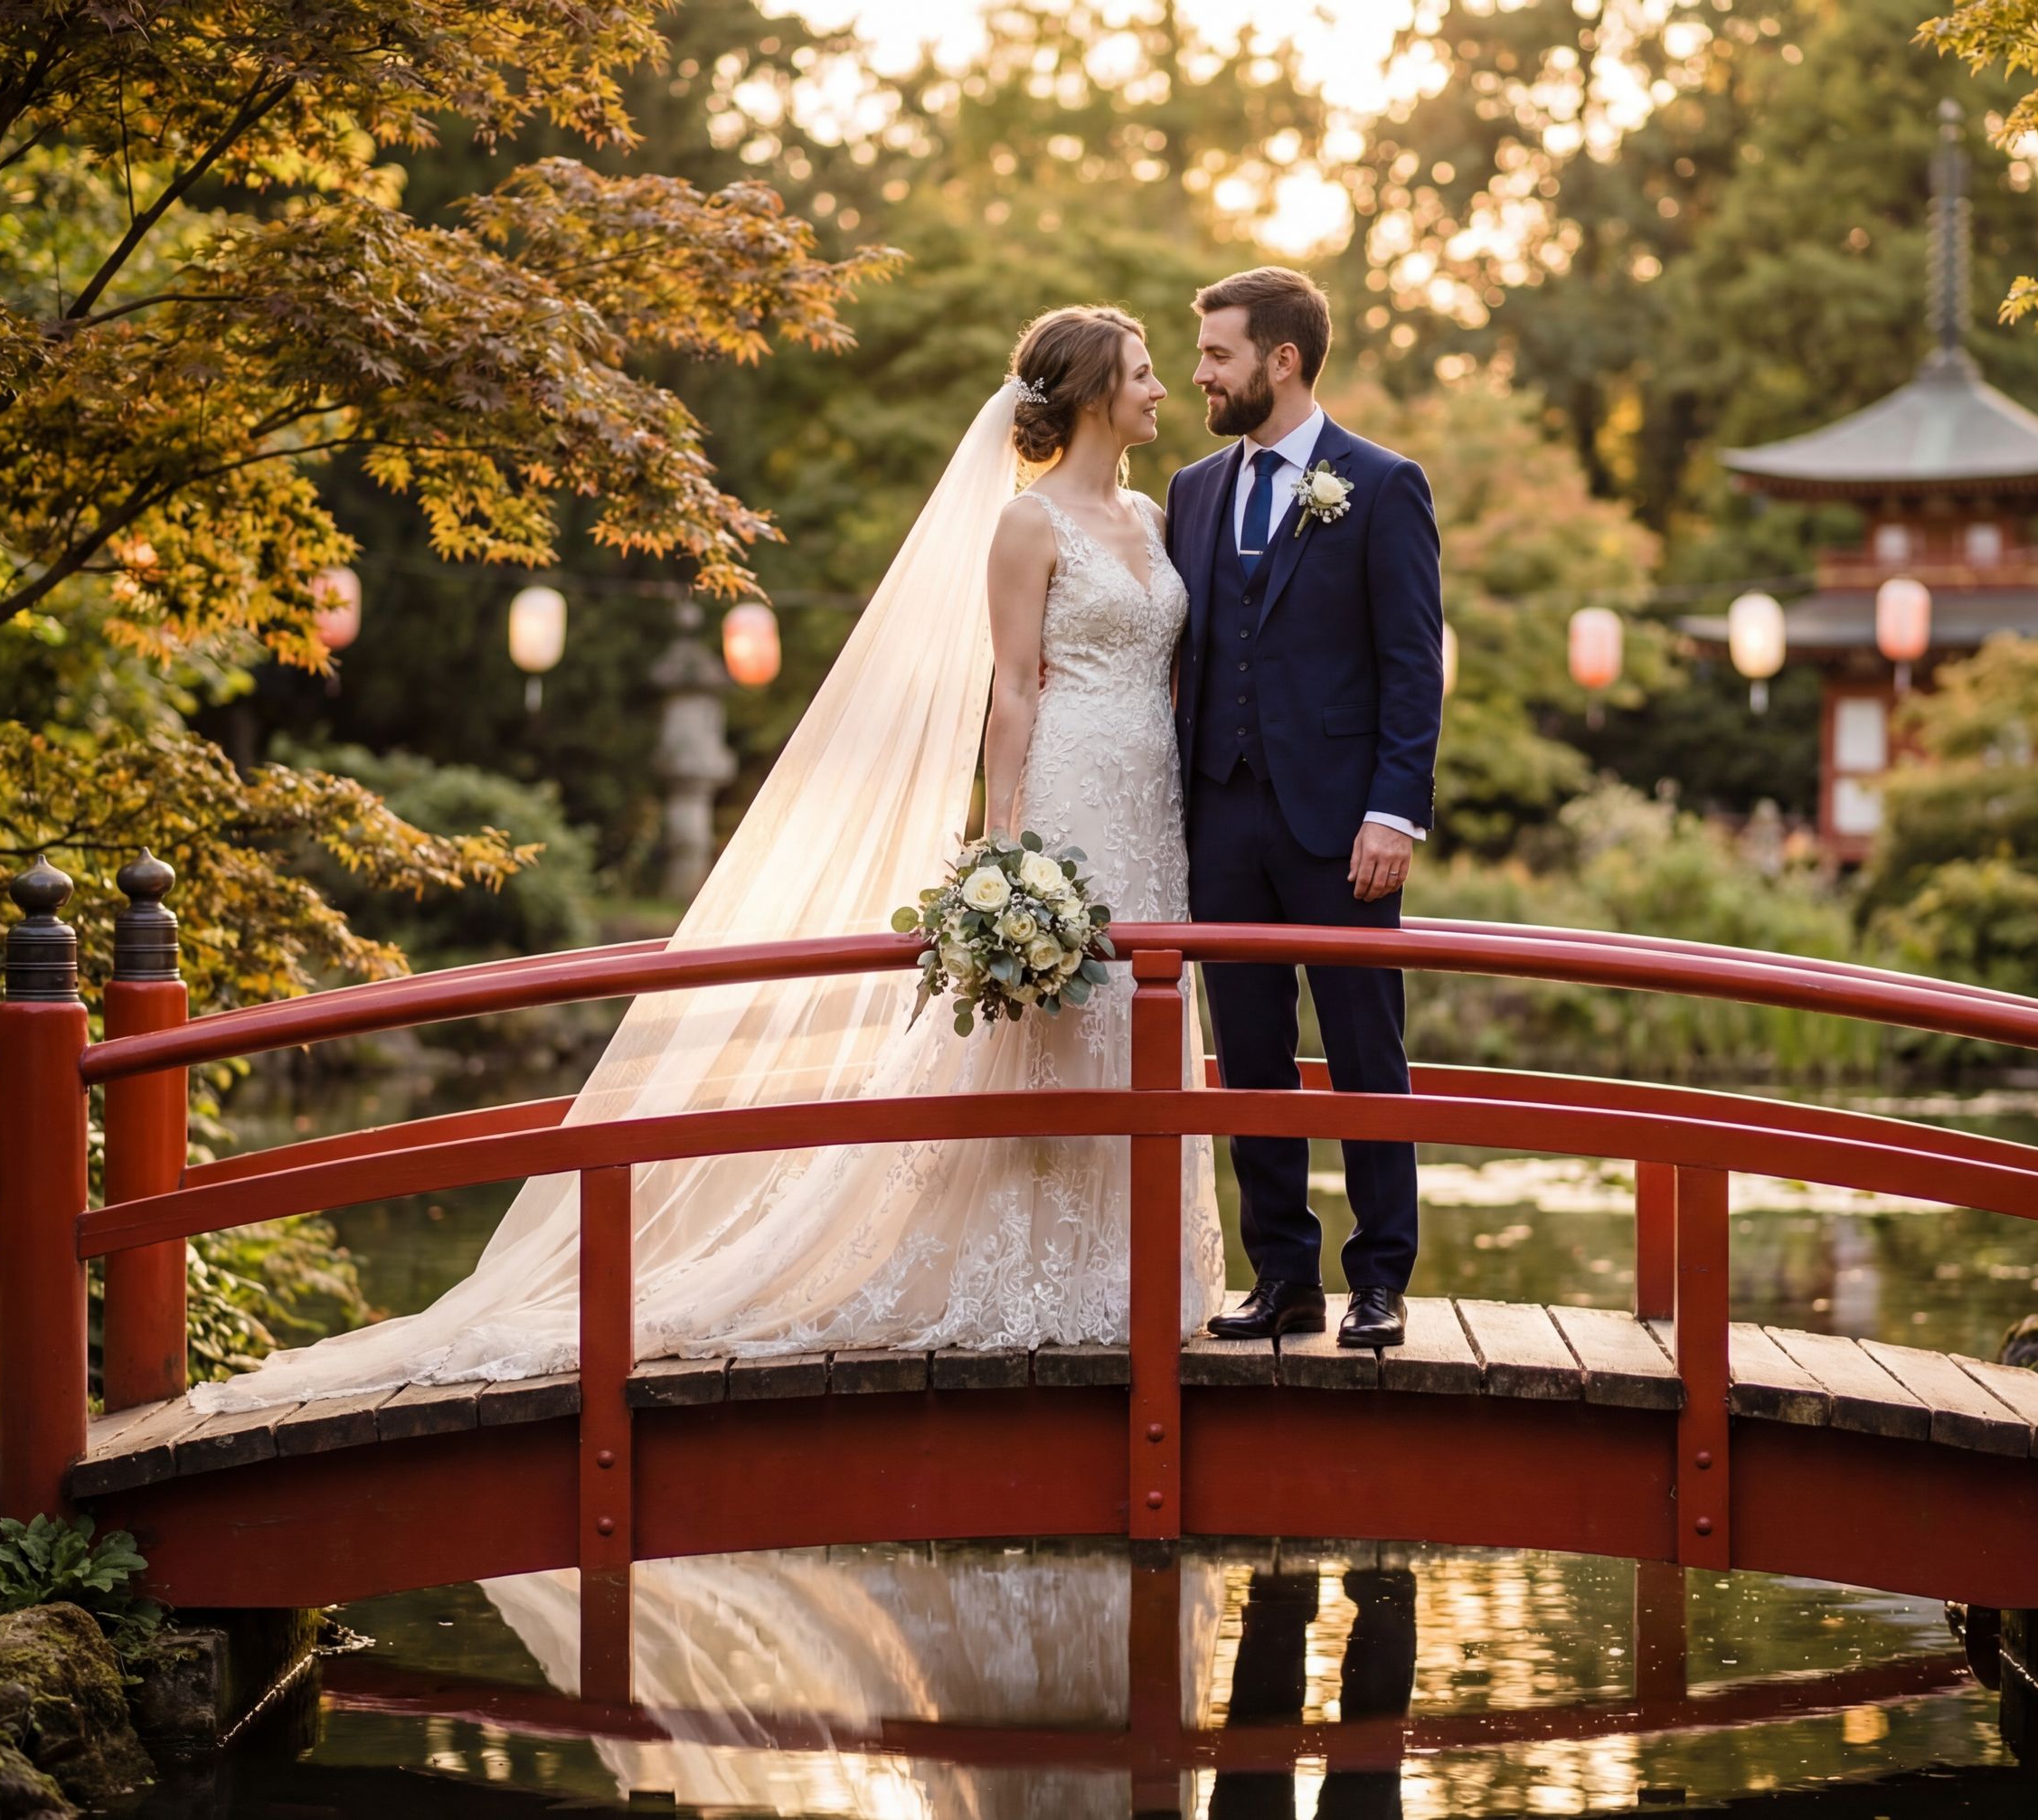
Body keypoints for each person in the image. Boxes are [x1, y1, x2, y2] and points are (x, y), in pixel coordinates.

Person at [190, 306, 1224, 1414]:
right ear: (1087, 396)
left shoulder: (1155, 517)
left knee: (1137, 1024)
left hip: (1147, 801)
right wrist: (1008, 846)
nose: (1161, 389)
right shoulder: (1028, 529)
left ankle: (1124, 1272)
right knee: (1049, 1032)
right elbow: (1013, 689)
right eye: (1143, 372)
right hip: (1068, 792)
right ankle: (1014, 1275)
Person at [1169, 268, 1443, 1351]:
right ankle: (1281, 1273)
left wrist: (1395, 813)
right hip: (1219, 816)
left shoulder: (1381, 485)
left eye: (1217, 355)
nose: (1200, 374)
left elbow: (1412, 666)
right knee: (1248, 1057)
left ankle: (1381, 1278)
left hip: (1342, 824)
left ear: (1281, 361)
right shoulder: (1193, 490)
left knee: (1368, 1053)